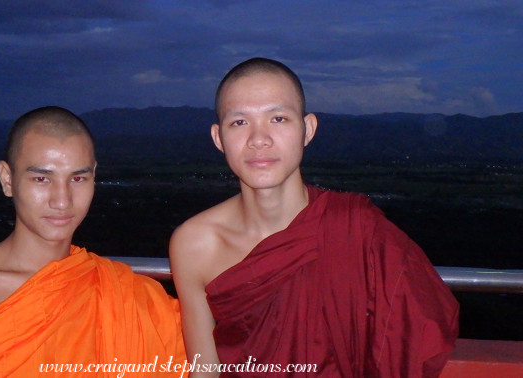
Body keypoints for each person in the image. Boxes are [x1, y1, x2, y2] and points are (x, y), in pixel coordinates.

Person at [169, 58, 459, 377]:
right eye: (239, 123)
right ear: (218, 138)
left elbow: (418, 329)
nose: (259, 139)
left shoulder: (355, 227)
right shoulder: (194, 244)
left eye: (278, 118)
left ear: (307, 129)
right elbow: (205, 369)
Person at [0, 106, 186, 377]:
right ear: (7, 179)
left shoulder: (125, 297)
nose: (62, 200)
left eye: (77, 178)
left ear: (93, 178)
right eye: (42, 178)